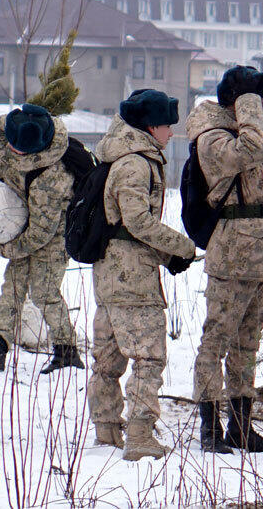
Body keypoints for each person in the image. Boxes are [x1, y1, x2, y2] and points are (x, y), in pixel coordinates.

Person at [185, 66, 263, 454]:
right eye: (248, 98)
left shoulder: (248, 129)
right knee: (216, 342)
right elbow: (252, 150)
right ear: (236, 102)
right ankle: (209, 428)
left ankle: (241, 427)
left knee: (247, 346)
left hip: (262, 253)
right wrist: (249, 103)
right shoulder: (214, 138)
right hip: (232, 253)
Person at [86, 89, 196, 461]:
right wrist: (180, 247)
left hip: (110, 275)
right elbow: (136, 221)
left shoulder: (119, 155)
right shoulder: (135, 163)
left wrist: (166, 256)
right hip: (133, 279)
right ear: (151, 126)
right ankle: (139, 435)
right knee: (149, 358)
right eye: (168, 126)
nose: (171, 133)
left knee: (109, 358)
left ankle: (106, 427)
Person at [0, 104, 85, 374]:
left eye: (20, 150)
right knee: (13, 286)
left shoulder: (51, 177)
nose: (12, 152)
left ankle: (67, 351)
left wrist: (5, 249)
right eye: (12, 145)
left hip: (53, 231)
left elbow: (40, 234)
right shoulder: (9, 131)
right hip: (23, 218)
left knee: (44, 292)